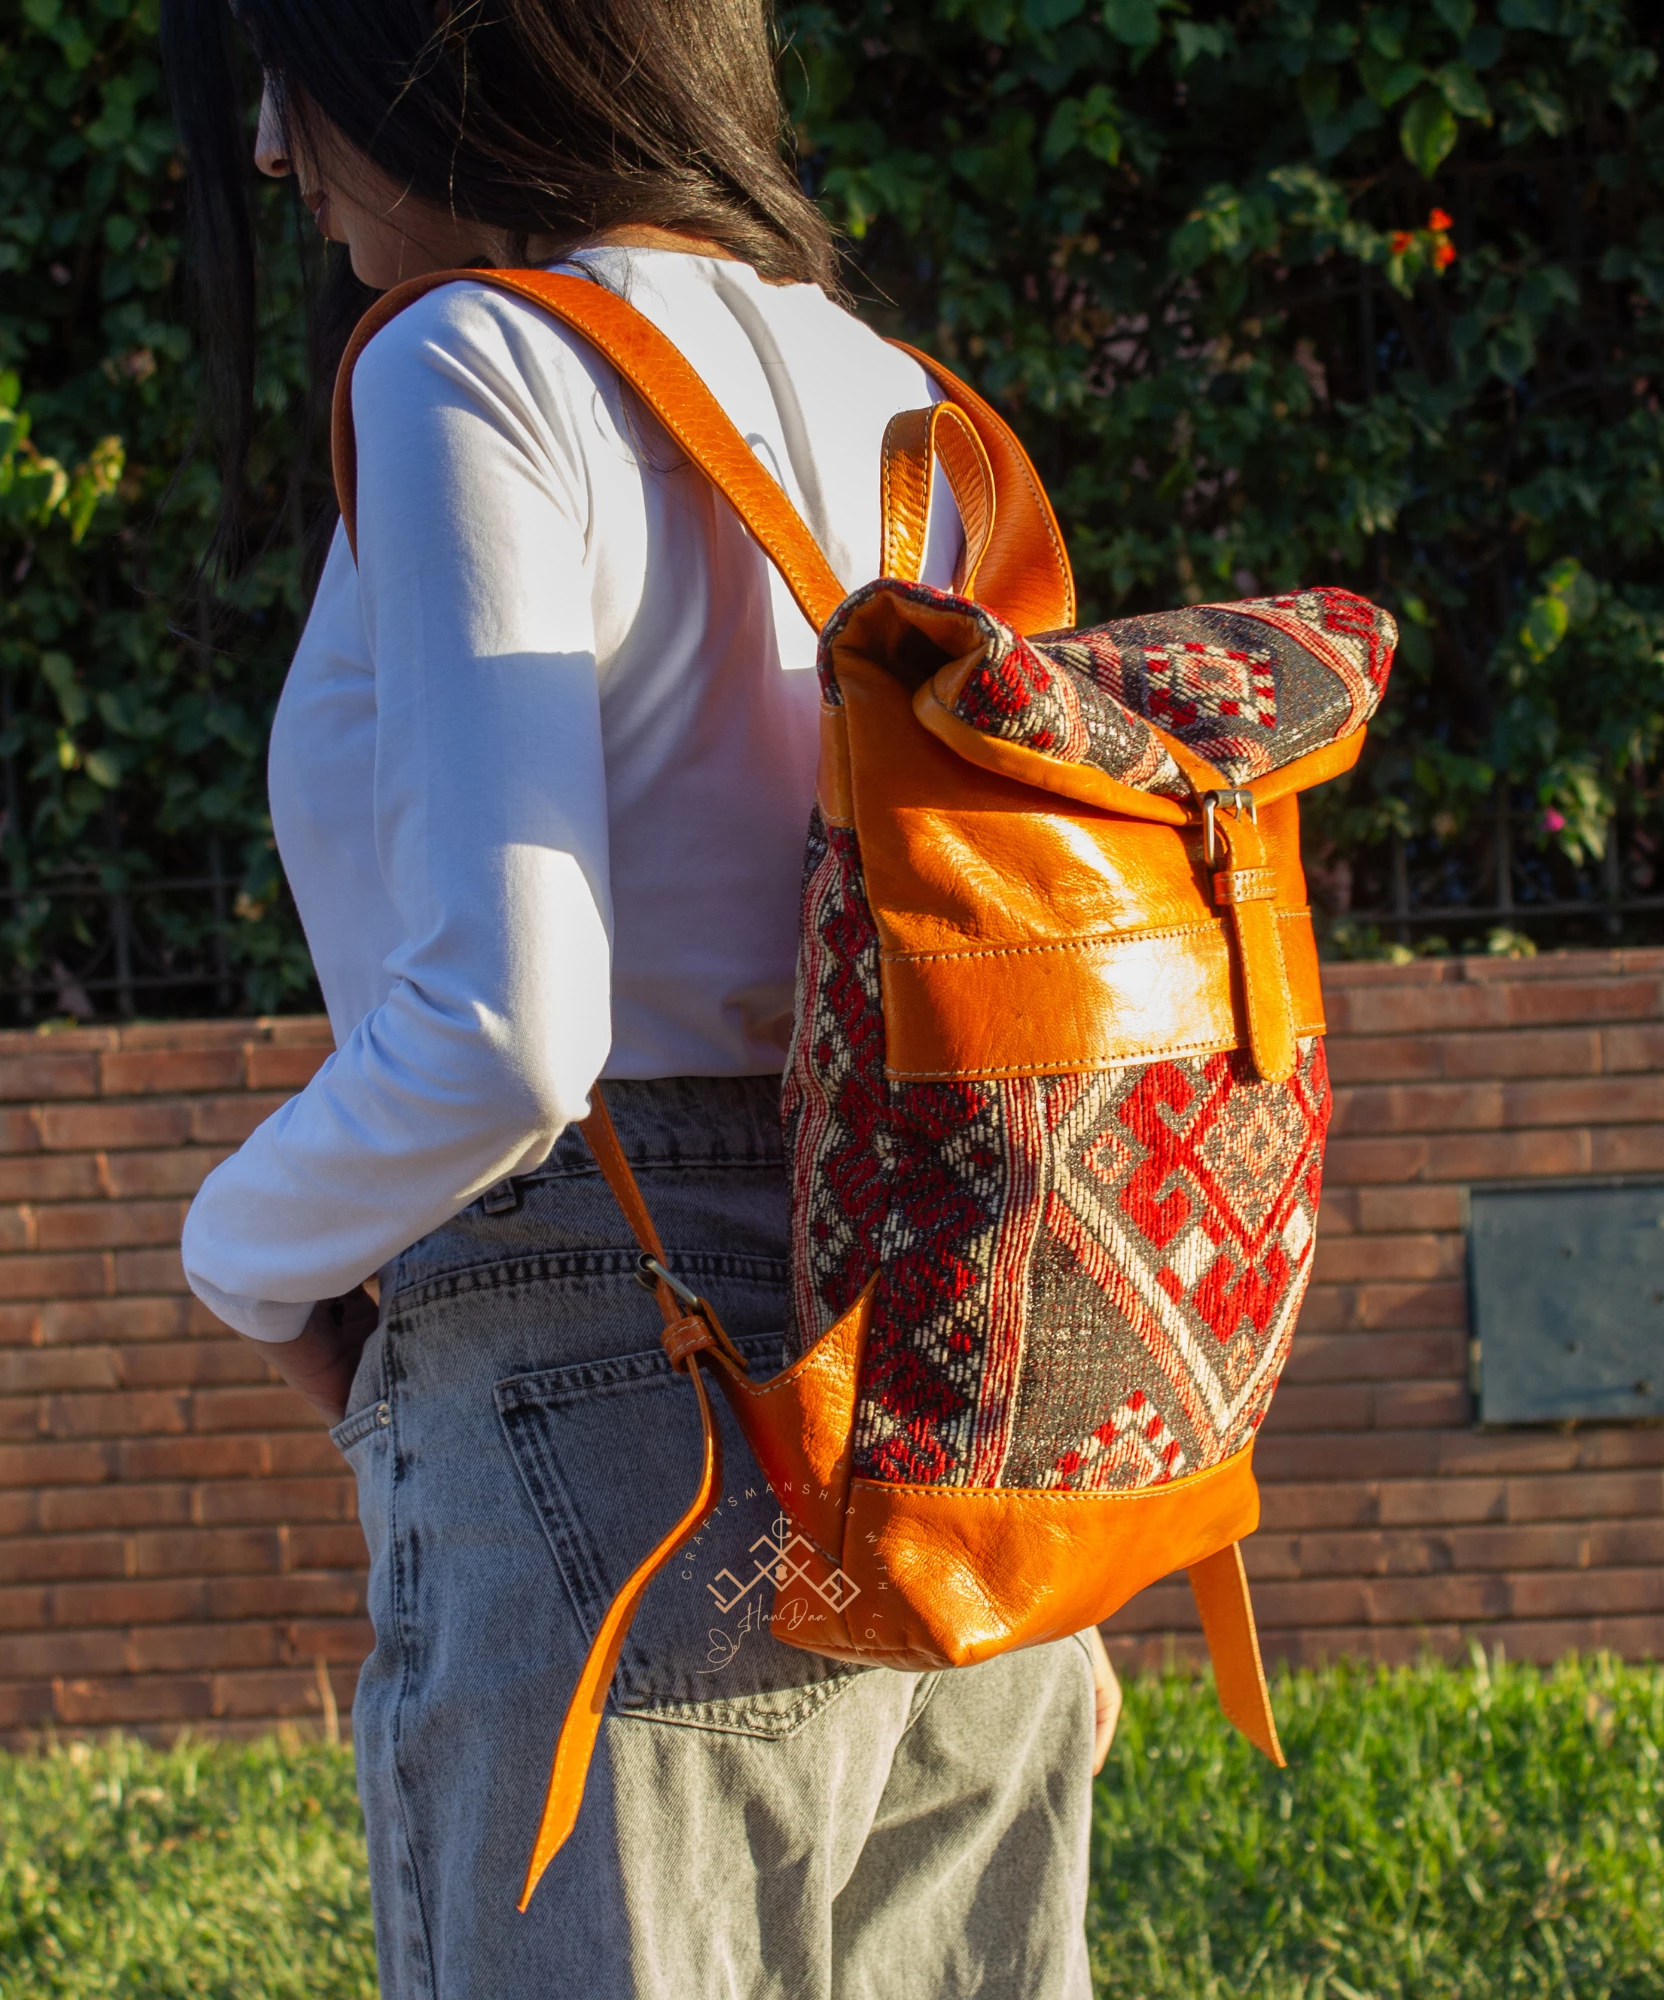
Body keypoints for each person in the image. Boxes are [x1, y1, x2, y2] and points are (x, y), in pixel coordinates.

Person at [161, 4, 1119, 1994]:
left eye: (289, 69)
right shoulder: (911, 402)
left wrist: (243, 1250)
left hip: (614, 1402)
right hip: (955, 1397)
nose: (270, 149)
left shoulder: (471, 359)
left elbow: (504, 1028)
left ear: (434, 53)